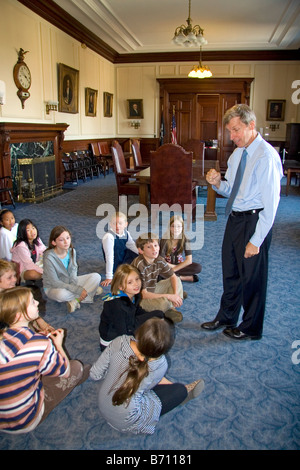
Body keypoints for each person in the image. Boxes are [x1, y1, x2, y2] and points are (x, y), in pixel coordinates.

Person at [201, 104, 283, 340]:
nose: (232, 136)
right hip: (235, 219)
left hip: (255, 221)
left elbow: (272, 205)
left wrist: (256, 241)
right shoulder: (238, 154)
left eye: (236, 130)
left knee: (253, 278)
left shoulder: (266, 157)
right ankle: (227, 316)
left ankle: (250, 327)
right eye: (229, 131)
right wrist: (218, 183)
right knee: (231, 272)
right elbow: (233, 191)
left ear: (251, 125)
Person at [90, 317, 205, 435]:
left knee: (145, 384)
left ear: (139, 333)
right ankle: (183, 392)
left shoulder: (119, 341)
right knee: (179, 390)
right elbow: (148, 386)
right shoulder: (160, 365)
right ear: (164, 349)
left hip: (103, 404)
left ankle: (174, 391)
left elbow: (95, 374)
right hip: (127, 420)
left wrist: (116, 371)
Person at [0, 287, 89, 433]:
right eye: (31, 302)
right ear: (18, 316)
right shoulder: (40, 343)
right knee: (76, 368)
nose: (37, 302)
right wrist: (57, 345)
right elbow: (65, 372)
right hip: (25, 420)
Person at [99, 264, 164, 351]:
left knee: (157, 315)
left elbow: (137, 311)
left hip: (128, 325)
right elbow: (123, 332)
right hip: (112, 342)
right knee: (157, 317)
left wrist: (150, 316)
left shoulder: (134, 295)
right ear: (120, 287)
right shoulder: (116, 305)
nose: (136, 284)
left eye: (137, 279)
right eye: (130, 282)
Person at [43, 226, 102, 313]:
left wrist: (74, 286)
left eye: (68, 238)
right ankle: (89, 291)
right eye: (61, 240)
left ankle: (76, 300)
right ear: (54, 242)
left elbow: (73, 271)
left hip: (70, 282)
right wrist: (77, 289)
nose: (66, 242)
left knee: (96, 277)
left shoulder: (72, 251)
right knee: (61, 295)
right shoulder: (49, 257)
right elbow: (55, 282)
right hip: (54, 287)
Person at [131, 233, 184, 323]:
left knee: (177, 280)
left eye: (156, 245)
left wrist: (174, 294)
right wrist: (169, 296)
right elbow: (144, 294)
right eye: (149, 247)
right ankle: (168, 307)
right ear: (140, 250)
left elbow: (173, 277)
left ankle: (171, 307)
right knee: (163, 303)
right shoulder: (139, 265)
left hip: (152, 289)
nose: (154, 249)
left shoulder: (158, 259)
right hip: (140, 299)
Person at [0, 259, 53, 335]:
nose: (15, 279)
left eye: (14, 275)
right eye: (9, 278)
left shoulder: (9, 290)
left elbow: (25, 307)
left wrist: (41, 323)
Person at [101, 211, 138, 287]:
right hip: (116, 260)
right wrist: (109, 277)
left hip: (123, 255)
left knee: (139, 257)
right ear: (110, 224)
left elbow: (132, 246)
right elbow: (109, 257)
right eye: (114, 223)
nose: (117, 226)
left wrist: (143, 254)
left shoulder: (126, 233)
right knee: (129, 272)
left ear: (125, 224)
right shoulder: (109, 237)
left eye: (120, 223)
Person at [160, 215, 202, 283]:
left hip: (179, 264)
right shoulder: (164, 239)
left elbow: (189, 260)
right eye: (173, 226)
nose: (176, 229)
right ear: (169, 227)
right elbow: (161, 260)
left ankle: (172, 276)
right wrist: (172, 267)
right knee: (158, 269)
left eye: (179, 226)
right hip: (167, 265)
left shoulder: (185, 239)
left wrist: (174, 269)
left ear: (182, 227)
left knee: (198, 267)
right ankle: (182, 278)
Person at [11, 218, 46, 282]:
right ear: (23, 232)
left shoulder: (36, 239)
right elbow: (29, 265)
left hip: (35, 263)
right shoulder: (21, 246)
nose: (32, 231)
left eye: (33, 228)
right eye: (28, 230)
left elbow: (44, 250)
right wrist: (44, 272)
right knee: (32, 274)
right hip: (24, 268)